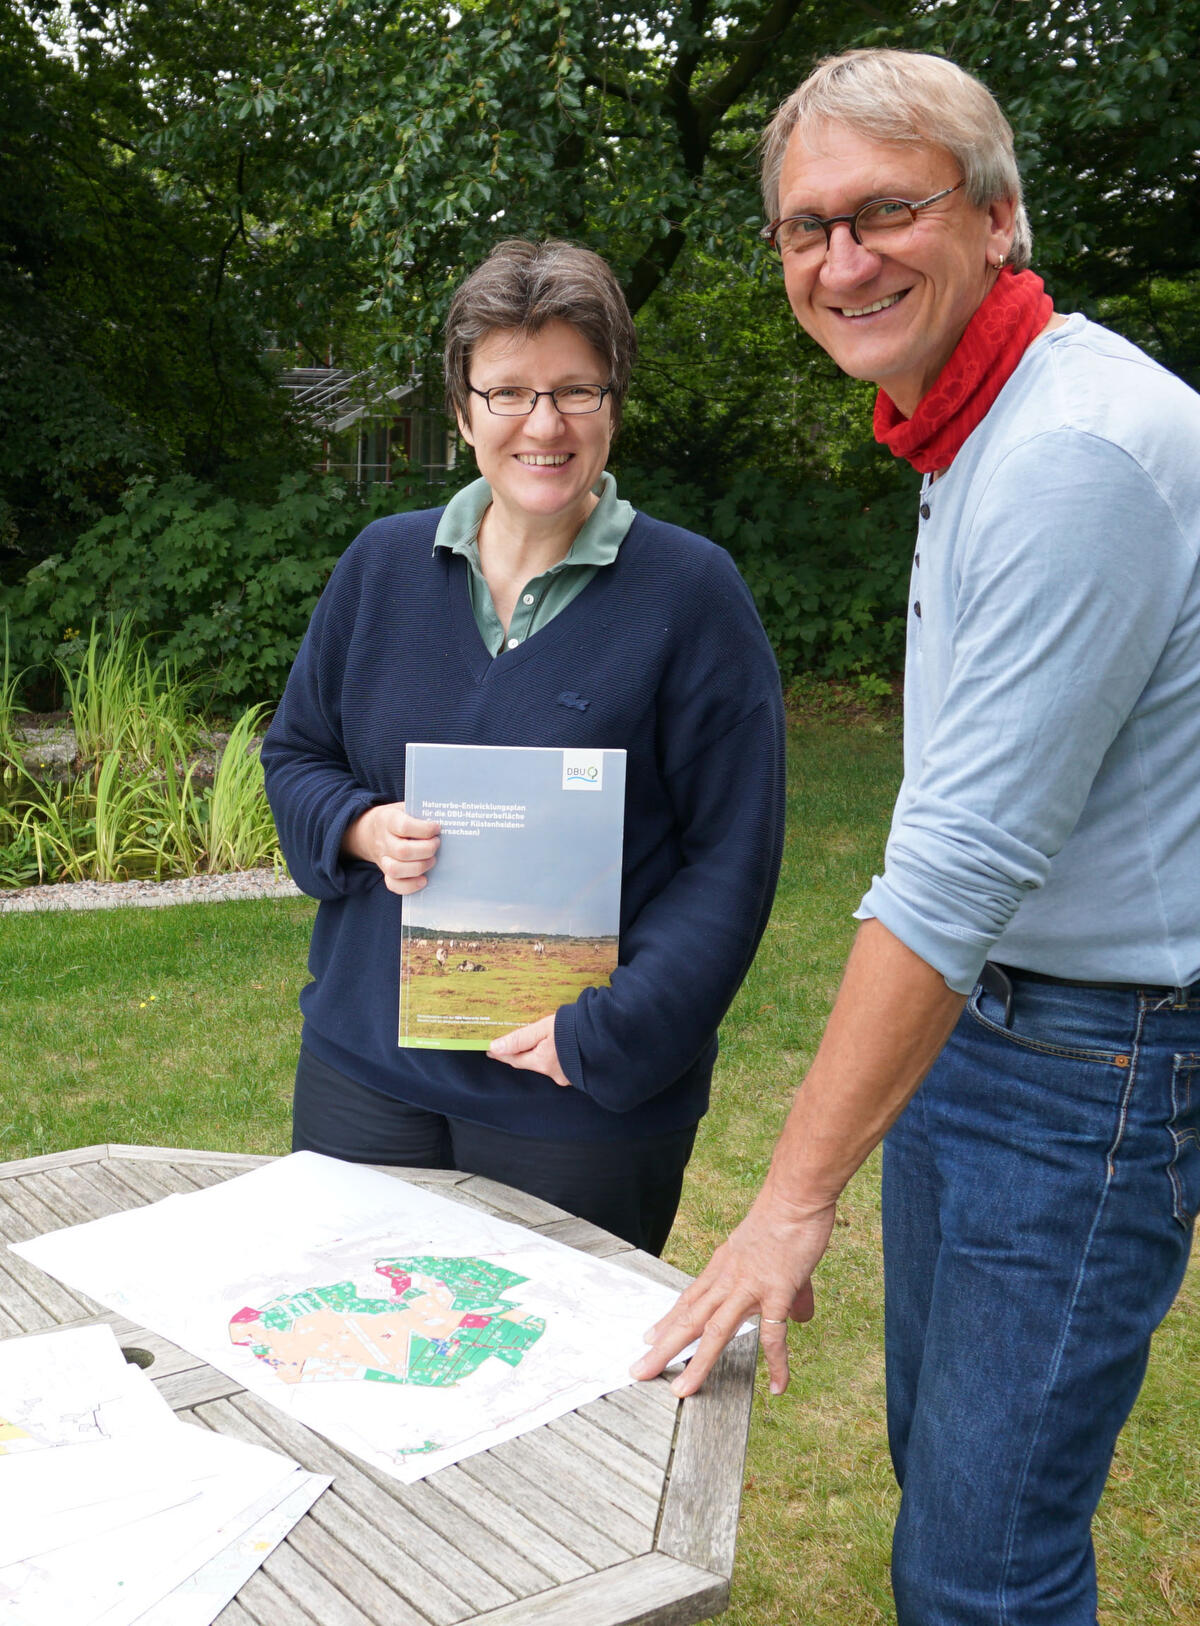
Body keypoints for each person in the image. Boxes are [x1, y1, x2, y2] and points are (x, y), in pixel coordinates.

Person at [634, 47, 1200, 1625]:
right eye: (806, 228)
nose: (842, 259)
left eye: (886, 210)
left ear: (998, 216)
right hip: (993, 1029)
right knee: (946, 1488)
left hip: (1092, 1059)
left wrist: (789, 1199)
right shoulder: (975, 418)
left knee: (983, 1565)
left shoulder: (1072, 451)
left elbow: (956, 865)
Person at [261, 238, 786, 1258]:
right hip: (365, 1075)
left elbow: (731, 862)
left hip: (575, 1097)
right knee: (348, 1331)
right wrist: (361, 827)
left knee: (554, 1355)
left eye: (574, 390)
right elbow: (297, 756)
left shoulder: (690, 593)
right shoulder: (381, 567)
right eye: (507, 392)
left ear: (613, 403)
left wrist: (608, 1034)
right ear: (463, 412)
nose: (543, 425)